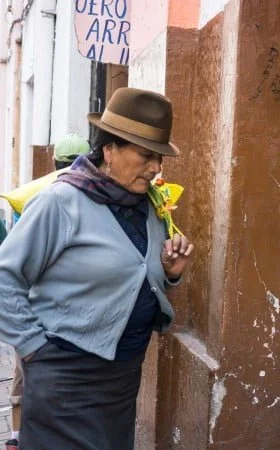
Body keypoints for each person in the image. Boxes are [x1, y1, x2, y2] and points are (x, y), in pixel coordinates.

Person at [0, 87, 193, 450]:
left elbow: (132, 278)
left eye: (159, 159)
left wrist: (170, 271)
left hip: (121, 378)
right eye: (146, 155)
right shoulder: (60, 203)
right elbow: (4, 275)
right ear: (109, 150)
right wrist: (32, 348)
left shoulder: (147, 207)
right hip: (64, 377)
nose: (155, 168)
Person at [4, 132, 89, 450]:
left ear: (53, 162)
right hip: (65, 312)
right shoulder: (86, 200)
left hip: (29, 308)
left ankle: (15, 439)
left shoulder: (33, 197)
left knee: (23, 378)